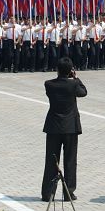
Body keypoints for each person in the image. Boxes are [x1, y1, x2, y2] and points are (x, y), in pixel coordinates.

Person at [41, 57, 87, 202]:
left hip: (54, 126)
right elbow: (83, 92)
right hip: (70, 127)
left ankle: (48, 193)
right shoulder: (73, 85)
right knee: (70, 161)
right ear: (70, 71)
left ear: (57, 70)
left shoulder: (49, 84)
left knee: (51, 161)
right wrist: (77, 78)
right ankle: (68, 193)